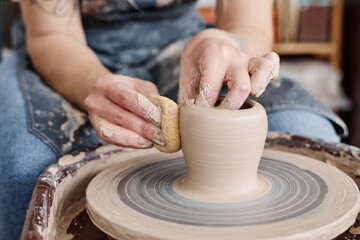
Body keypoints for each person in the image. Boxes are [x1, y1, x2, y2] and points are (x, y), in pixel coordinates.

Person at [0, 0, 347, 239]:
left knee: (307, 131)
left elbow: (249, 23)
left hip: (184, 41)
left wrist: (221, 39)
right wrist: (93, 85)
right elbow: (51, 36)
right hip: (67, 49)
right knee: (29, 167)